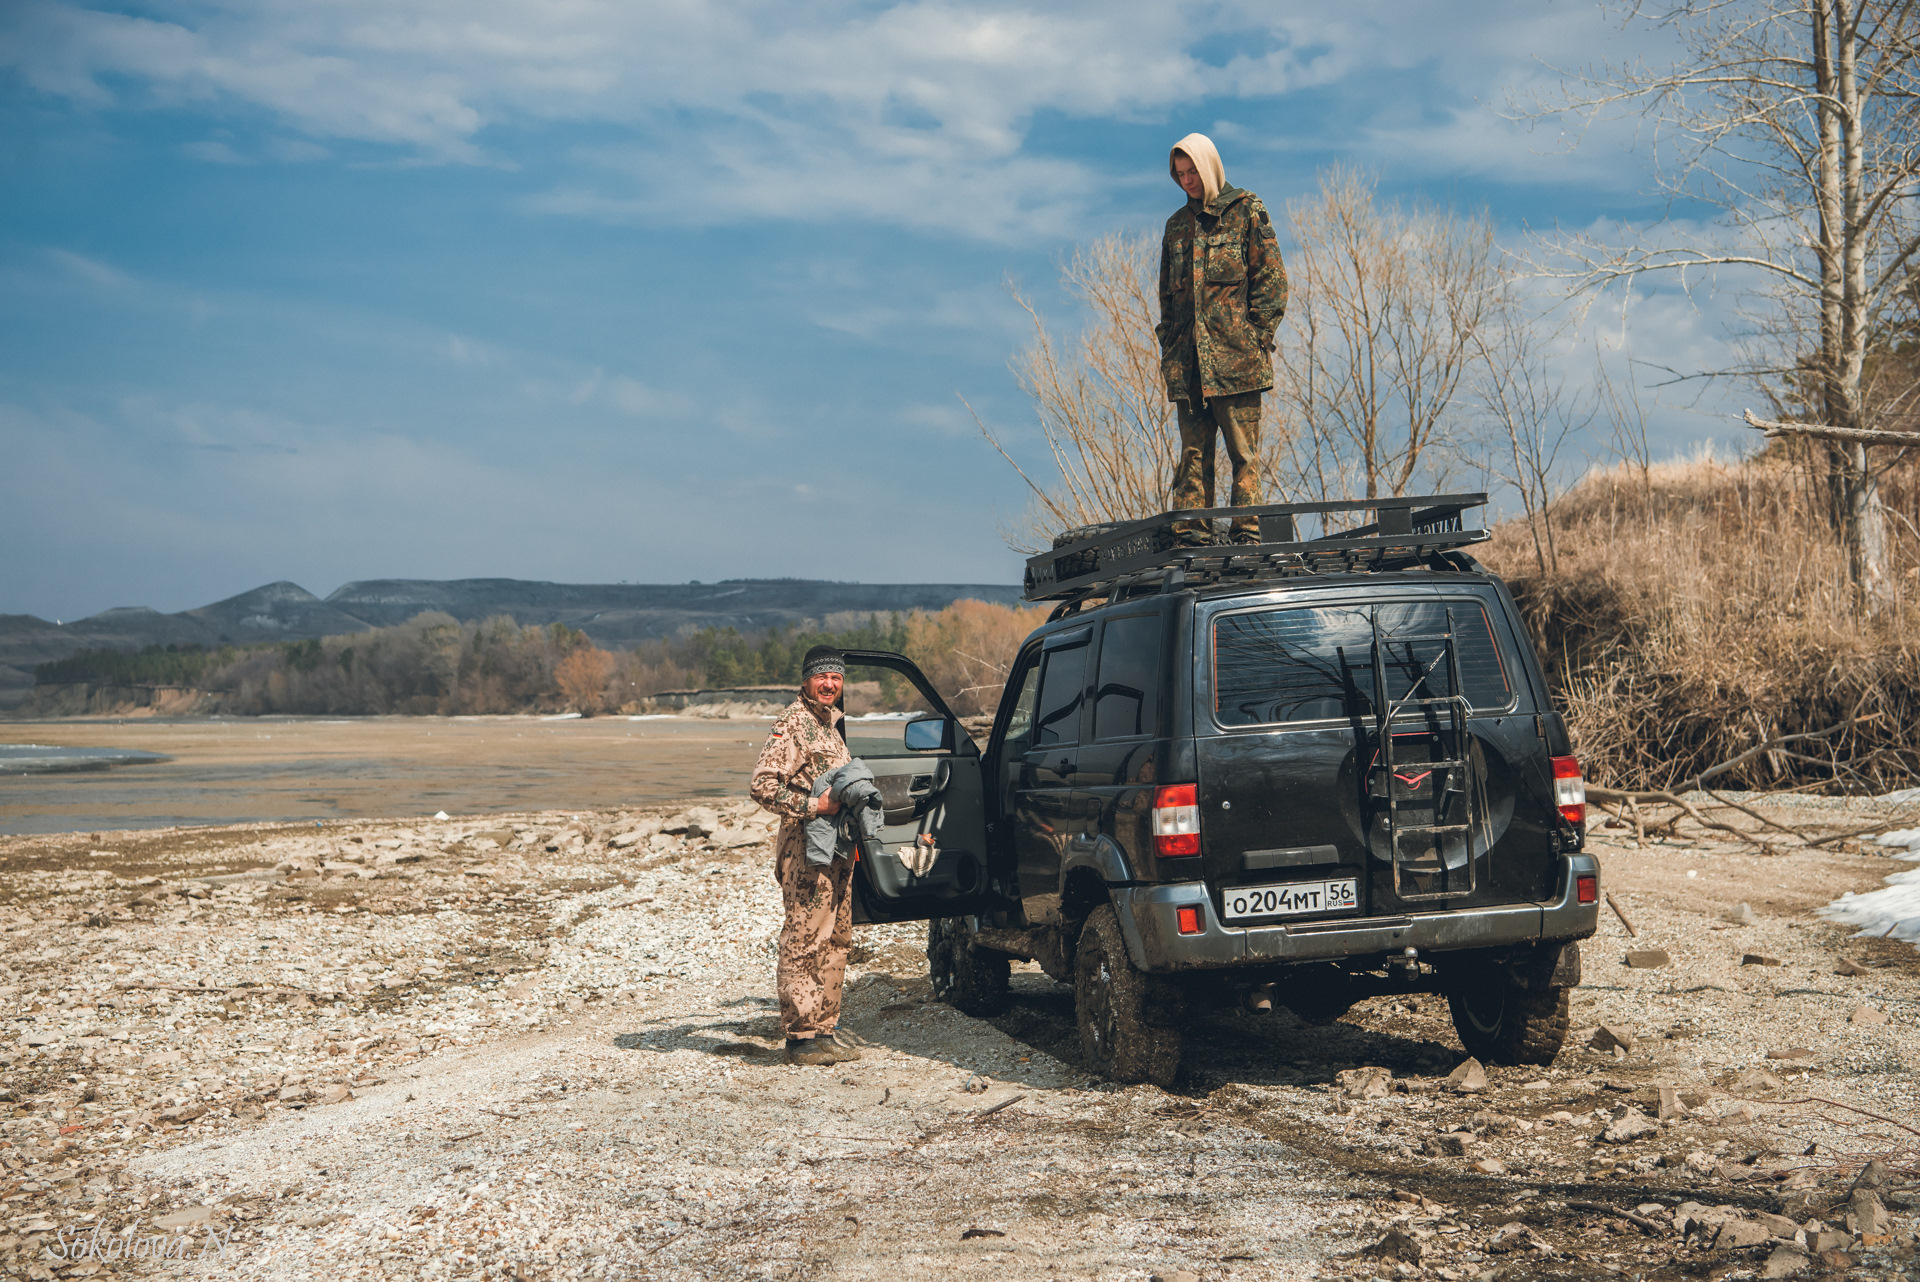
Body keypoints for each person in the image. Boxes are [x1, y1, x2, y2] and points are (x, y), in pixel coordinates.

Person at [1155, 132, 1288, 546]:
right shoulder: (1176, 227)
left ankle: (1246, 533)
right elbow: (1166, 297)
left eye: (1193, 170)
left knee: (1243, 455)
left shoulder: (1247, 209)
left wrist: (1256, 339)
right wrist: (1170, 343)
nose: (1187, 180)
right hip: (1189, 363)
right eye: (1180, 174)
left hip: (1237, 362)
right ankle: (1192, 535)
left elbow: (1273, 281)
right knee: (1193, 457)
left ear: (1209, 166)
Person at [748, 645, 865, 1066]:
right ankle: (800, 1039)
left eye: (836, 678)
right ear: (806, 680)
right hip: (804, 853)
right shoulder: (793, 724)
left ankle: (824, 1030)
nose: (830, 684)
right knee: (803, 940)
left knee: (836, 939)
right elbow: (762, 786)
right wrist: (815, 807)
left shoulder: (830, 726)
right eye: (822, 677)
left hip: (837, 851)